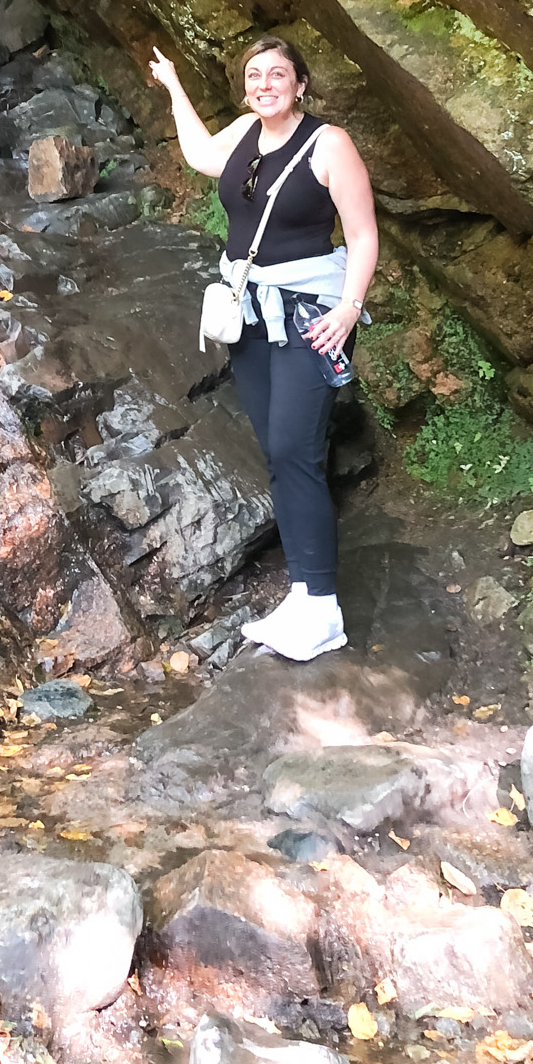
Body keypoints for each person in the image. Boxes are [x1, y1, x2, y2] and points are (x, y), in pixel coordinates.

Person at [149, 35, 378, 662]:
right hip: (251, 314)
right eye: (255, 75)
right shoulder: (246, 132)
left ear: (301, 84)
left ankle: (323, 608)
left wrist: (348, 308)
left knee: (295, 450)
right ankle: (303, 594)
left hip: (312, 315)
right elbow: (200, 155)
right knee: (277, 452)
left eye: (278, 74)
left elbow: (361, 234)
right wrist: (173, 86)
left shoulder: (329, 144)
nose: (265, 84)